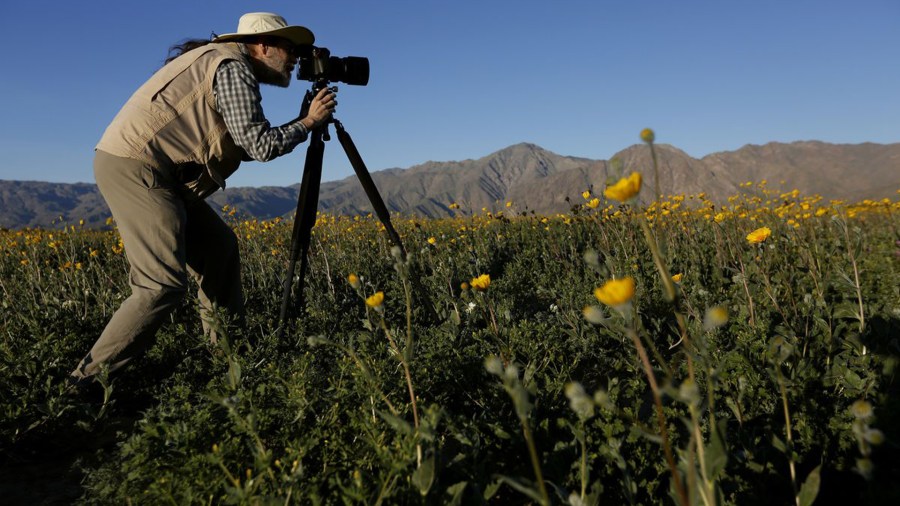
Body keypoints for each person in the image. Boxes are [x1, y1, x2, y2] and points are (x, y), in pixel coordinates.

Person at [69, 12, 336, 385]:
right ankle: (84, 384)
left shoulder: (220, 62)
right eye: (289, 49)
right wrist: (307, 123)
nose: (296, 59)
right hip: (138, 166)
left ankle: (230, 362)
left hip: (153, 170)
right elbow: (260, 146)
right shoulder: (231, 66)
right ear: (263, 46)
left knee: (219, 249)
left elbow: (241, 142)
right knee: (160, 284)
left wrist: (300, 120)